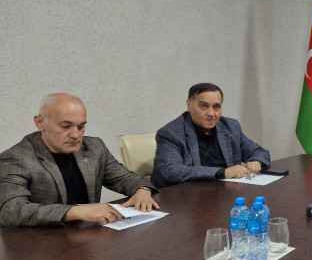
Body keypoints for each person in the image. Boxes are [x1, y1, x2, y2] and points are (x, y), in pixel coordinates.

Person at [0, 93, 159, 227]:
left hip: (87, 236)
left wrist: (142, 190)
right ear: (40, 123)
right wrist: (75, 211)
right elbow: (10, 210)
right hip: (40, 243)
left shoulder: (94, 147)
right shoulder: (17, 157)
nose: (76, 135)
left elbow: (124, 178)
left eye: (81, 127)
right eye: (65, 126)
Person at [151, 83, 271, 188]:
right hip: (180, 197)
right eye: (204, 106)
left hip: (224, 193)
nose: (211, 113)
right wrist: (223, 172)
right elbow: (172, 171)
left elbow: (259, 152)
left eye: (216, 107)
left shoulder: (230, 127)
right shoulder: (171, 133)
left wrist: (256, 161)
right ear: (189, 105)